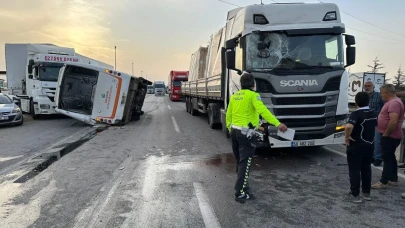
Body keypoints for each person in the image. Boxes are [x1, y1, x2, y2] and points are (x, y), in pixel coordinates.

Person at [226, 72, 287, 202]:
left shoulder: (235, 96)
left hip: (235, 132)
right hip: (246, 134)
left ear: (241, 84)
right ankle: (240, 193)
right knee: (245, 163)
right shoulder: (253, 95)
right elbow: (263, 111)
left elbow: (228, 113)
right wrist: (278, 124)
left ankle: (244, 187)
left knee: (240, 162)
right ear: (253, 84)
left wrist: (229, 128)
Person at [344, 92, 377, 203]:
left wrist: (347, 137)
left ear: (356, 102)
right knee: (366, 168)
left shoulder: (356, 114)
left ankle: (355, 194)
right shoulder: (373, 113)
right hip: (369, 145)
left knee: (354, 169)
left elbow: (348, 126)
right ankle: (366, 193)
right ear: (368, 101)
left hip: (356, 145)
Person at [372, 84, 405, 189]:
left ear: (386, 93)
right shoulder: (392, 102)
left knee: (386, 158)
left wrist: (385, 134)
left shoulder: (394, 103)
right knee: (391, 157)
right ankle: (393, 179)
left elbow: (394, 121)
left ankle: (383, 181)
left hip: (390, 136)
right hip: (390, 135)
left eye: (381, 93)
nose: (381, 95)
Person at [364, 81, 385, 166]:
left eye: (369, 86)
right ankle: (371, 156)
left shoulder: (378, 96)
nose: (367, 87)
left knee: (377, 140)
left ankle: (378, 158)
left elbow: (385, 107)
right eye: (365, 86)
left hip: (377, 122)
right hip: (366, 122)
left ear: (373, 87)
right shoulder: (364, 96)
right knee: (369, 140)